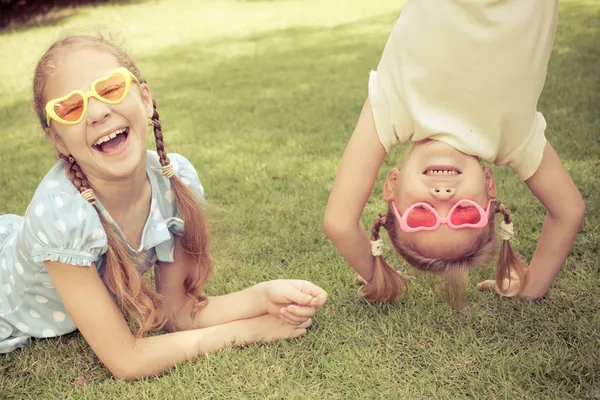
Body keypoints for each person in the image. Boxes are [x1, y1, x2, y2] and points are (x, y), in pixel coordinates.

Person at [0, 35, 327, 379]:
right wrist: (248, 331)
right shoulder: (60, 216)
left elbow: (179, 313)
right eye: (70, 108)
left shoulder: (173, 180)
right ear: (57, 139)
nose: (96, 112)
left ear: (144, 98)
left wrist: (261, 298)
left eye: (110, 88)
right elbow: (127, 360)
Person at [324, 0, 584, 310]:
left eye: (421, 213)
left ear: (392, 185)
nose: (443, 196)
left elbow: (339, 222)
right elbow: (568, 211)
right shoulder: (512, 138)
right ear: (489, 186)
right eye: (465, 213)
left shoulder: (395, 110)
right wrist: (531, 287)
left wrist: (381, 277)